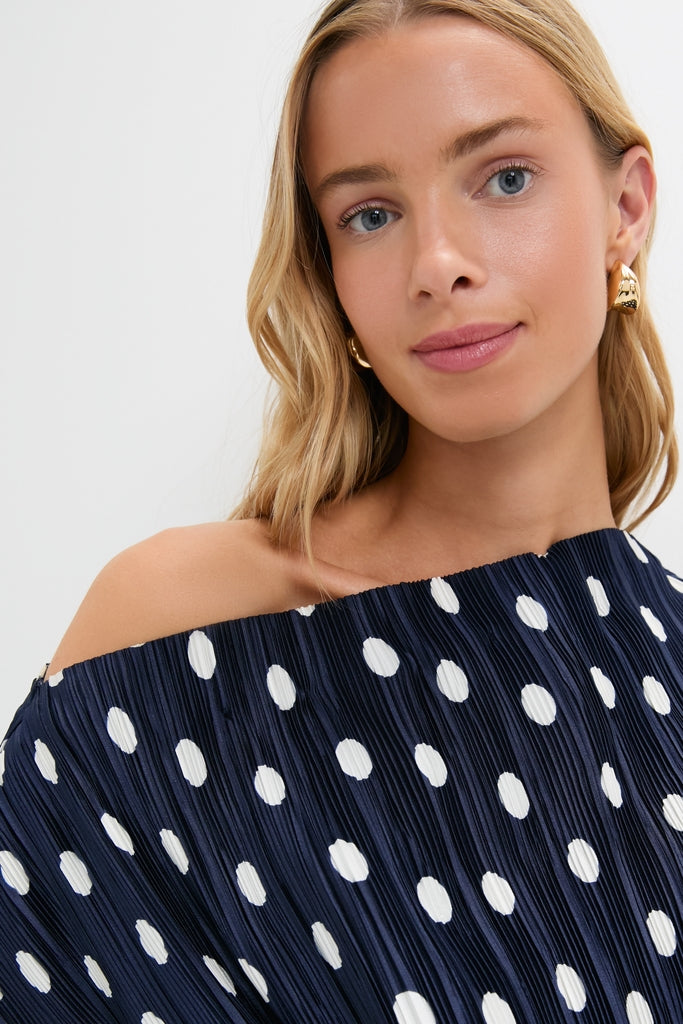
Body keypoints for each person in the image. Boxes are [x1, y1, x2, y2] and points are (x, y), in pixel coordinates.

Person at [1, 0, 681, 1020]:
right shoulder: (186, 638)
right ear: (328, 273)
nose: (436, 263)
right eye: (369, 214)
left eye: (502, 178)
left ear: (624, 206)